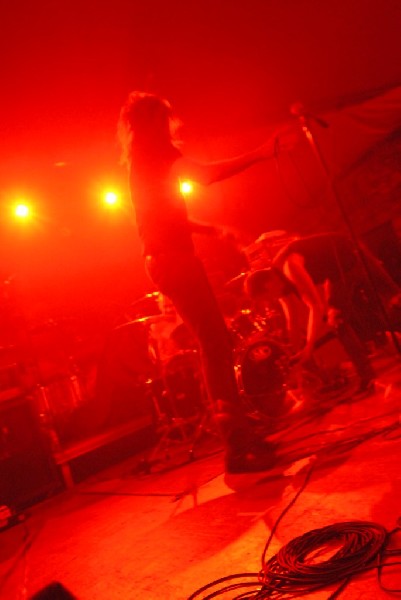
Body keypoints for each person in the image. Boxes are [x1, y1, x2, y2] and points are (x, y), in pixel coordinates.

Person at [117, 90, 296, 474]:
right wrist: (262, 152)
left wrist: (213, 230)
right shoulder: (157, 152)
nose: (171, 124)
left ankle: (241, 435)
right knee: (215, 343)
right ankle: (238, 448)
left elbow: (161, 218)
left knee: (214, 342)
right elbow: (208, 174)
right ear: (154, 122)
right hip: (174, 262)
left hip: (165, 260)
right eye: (165, 118)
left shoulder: (141, 163)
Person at [244, 231, 401, 394]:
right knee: (335, 319)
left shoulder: (290, 267)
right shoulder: (280, 283)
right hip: (337, 273)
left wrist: (309, 347)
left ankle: (367, 376)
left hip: (353, 256)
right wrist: (296, 356)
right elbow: (293, 322)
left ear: (268, 286)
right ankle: (367, 376)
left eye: (267, 297)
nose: (271, 301)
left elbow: (315, 306)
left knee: (391, 300)